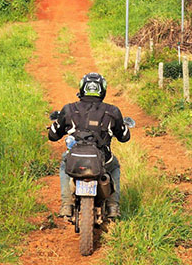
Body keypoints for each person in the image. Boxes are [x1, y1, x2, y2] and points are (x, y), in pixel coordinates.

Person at [48, 72, 130, 220]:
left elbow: (53, 136)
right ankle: (112, 206)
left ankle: (67, 204)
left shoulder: (69, 109)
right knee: (115, 166)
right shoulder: (113, 111)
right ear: (103, 90)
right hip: (103, 160)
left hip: (76, 159)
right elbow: (124, 137)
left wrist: (56, 123)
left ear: (82, 88)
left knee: (64, 163)